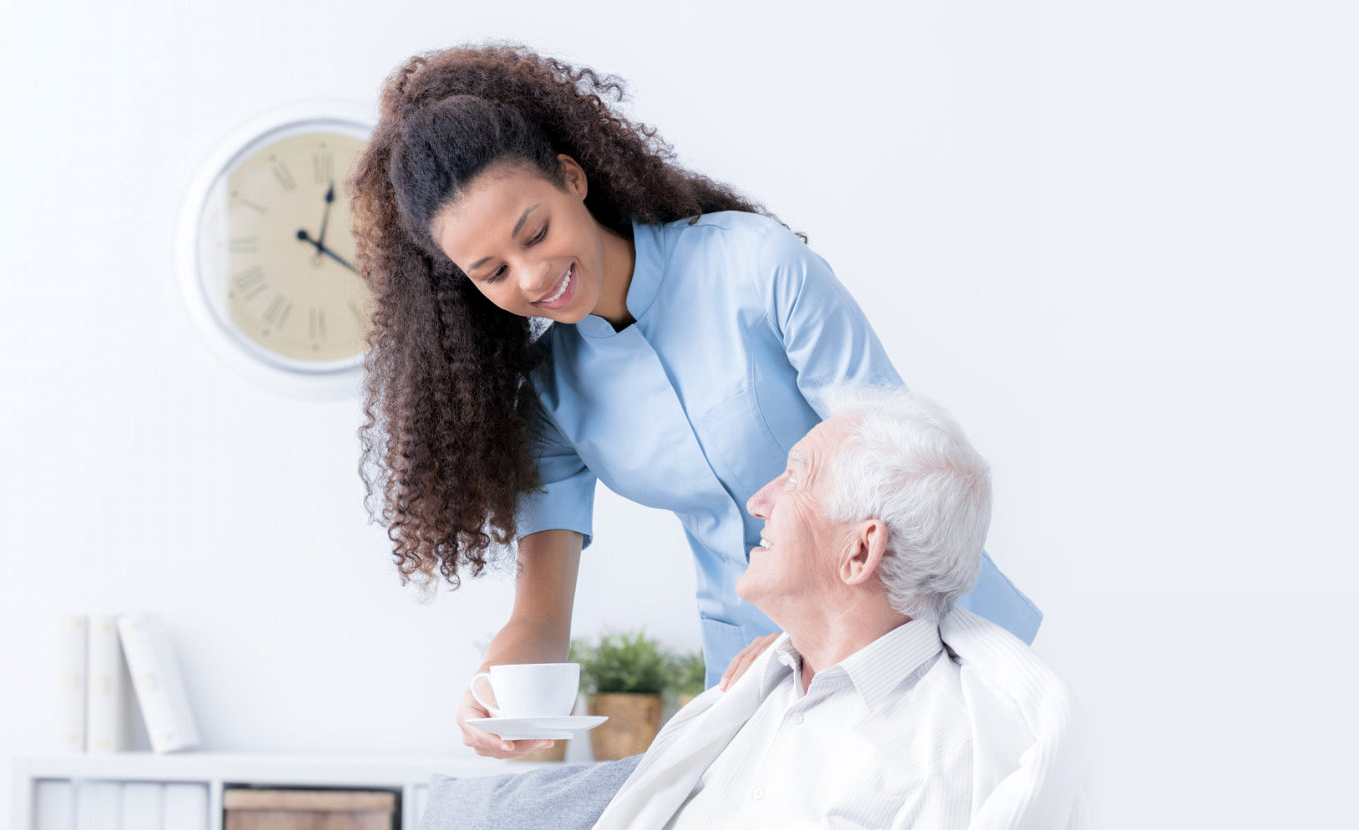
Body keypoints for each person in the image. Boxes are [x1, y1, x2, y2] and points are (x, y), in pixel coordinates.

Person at [345, 42, 1043, 760]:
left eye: (536, 232)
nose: (532, 276)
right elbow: (541, 615)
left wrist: (817, 633)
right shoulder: (551, 394)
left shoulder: (754, 265)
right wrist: (500, 684)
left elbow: (903, 473)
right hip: (756, 680)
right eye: (492, 271)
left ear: (571, 178)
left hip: (927, 638)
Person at [420, 384, 1083, 830]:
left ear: (860, 551)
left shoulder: (940, 752)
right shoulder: (748, 695)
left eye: (795, 477)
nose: (758, 500)